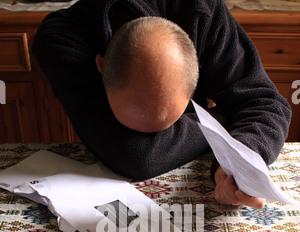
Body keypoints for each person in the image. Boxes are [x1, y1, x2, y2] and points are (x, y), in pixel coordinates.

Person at [32, 0, 291, 209]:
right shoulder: (62, 40)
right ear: (100, 66)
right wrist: (220, 124)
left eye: (167, 122)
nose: (156, 136)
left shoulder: (201, 10)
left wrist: (235, 165)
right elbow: (137, 155)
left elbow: (265, 103)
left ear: (198, 67)